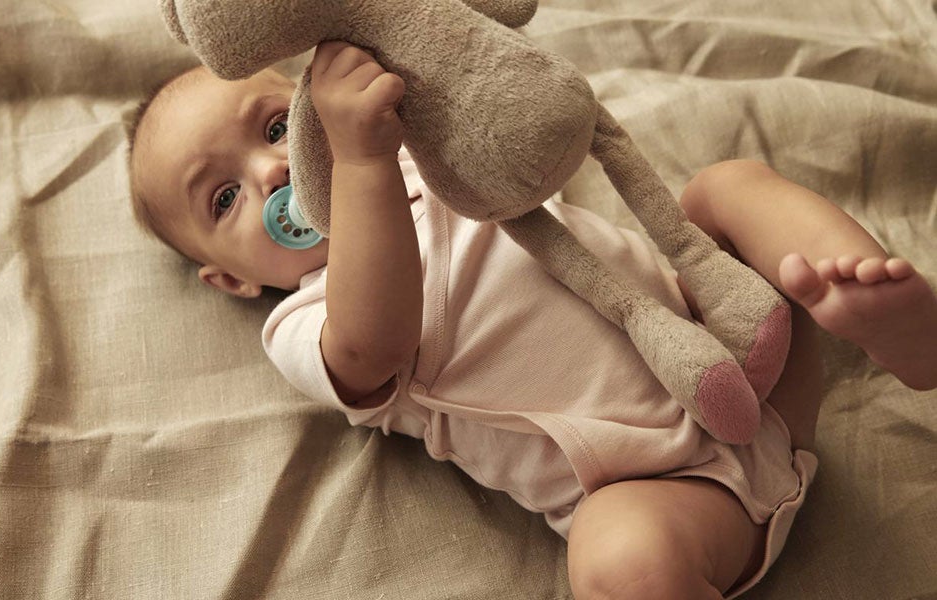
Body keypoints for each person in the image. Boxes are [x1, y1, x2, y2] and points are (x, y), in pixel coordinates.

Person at [127, 41, 937, 599]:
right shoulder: (305, 322)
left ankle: (865, 304)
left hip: (742, 344)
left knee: (721, 192)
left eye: (275, 129)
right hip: (663, 493)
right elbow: (376, 340)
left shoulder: (424, 159)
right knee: (615, 563)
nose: (272, 170)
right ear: (229, 280)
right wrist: (360, 160)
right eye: (224, 196)